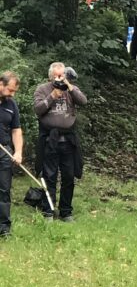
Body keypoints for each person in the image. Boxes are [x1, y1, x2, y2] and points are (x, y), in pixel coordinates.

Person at [33, 63, 87, 222]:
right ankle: (48, 211)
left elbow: (83, 101)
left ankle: (66, 211)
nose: (60, 78)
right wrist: (52, 96)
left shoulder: (70, 89)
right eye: (57, 76)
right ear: (51, 76)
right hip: (50, 139)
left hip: (68, 140)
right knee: (49, 176)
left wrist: (69, 85)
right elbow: (38, 109)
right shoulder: (42, 89)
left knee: (69, 176)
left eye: (62, 75)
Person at [0, 72, 23, 237]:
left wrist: (18, 151)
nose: (12, 94)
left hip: (4, 151)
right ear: (1, 84)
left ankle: (4, 229)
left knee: (4, 189)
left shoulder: (11, 104)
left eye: (14, 91)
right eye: (10, 90)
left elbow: (16, 130)